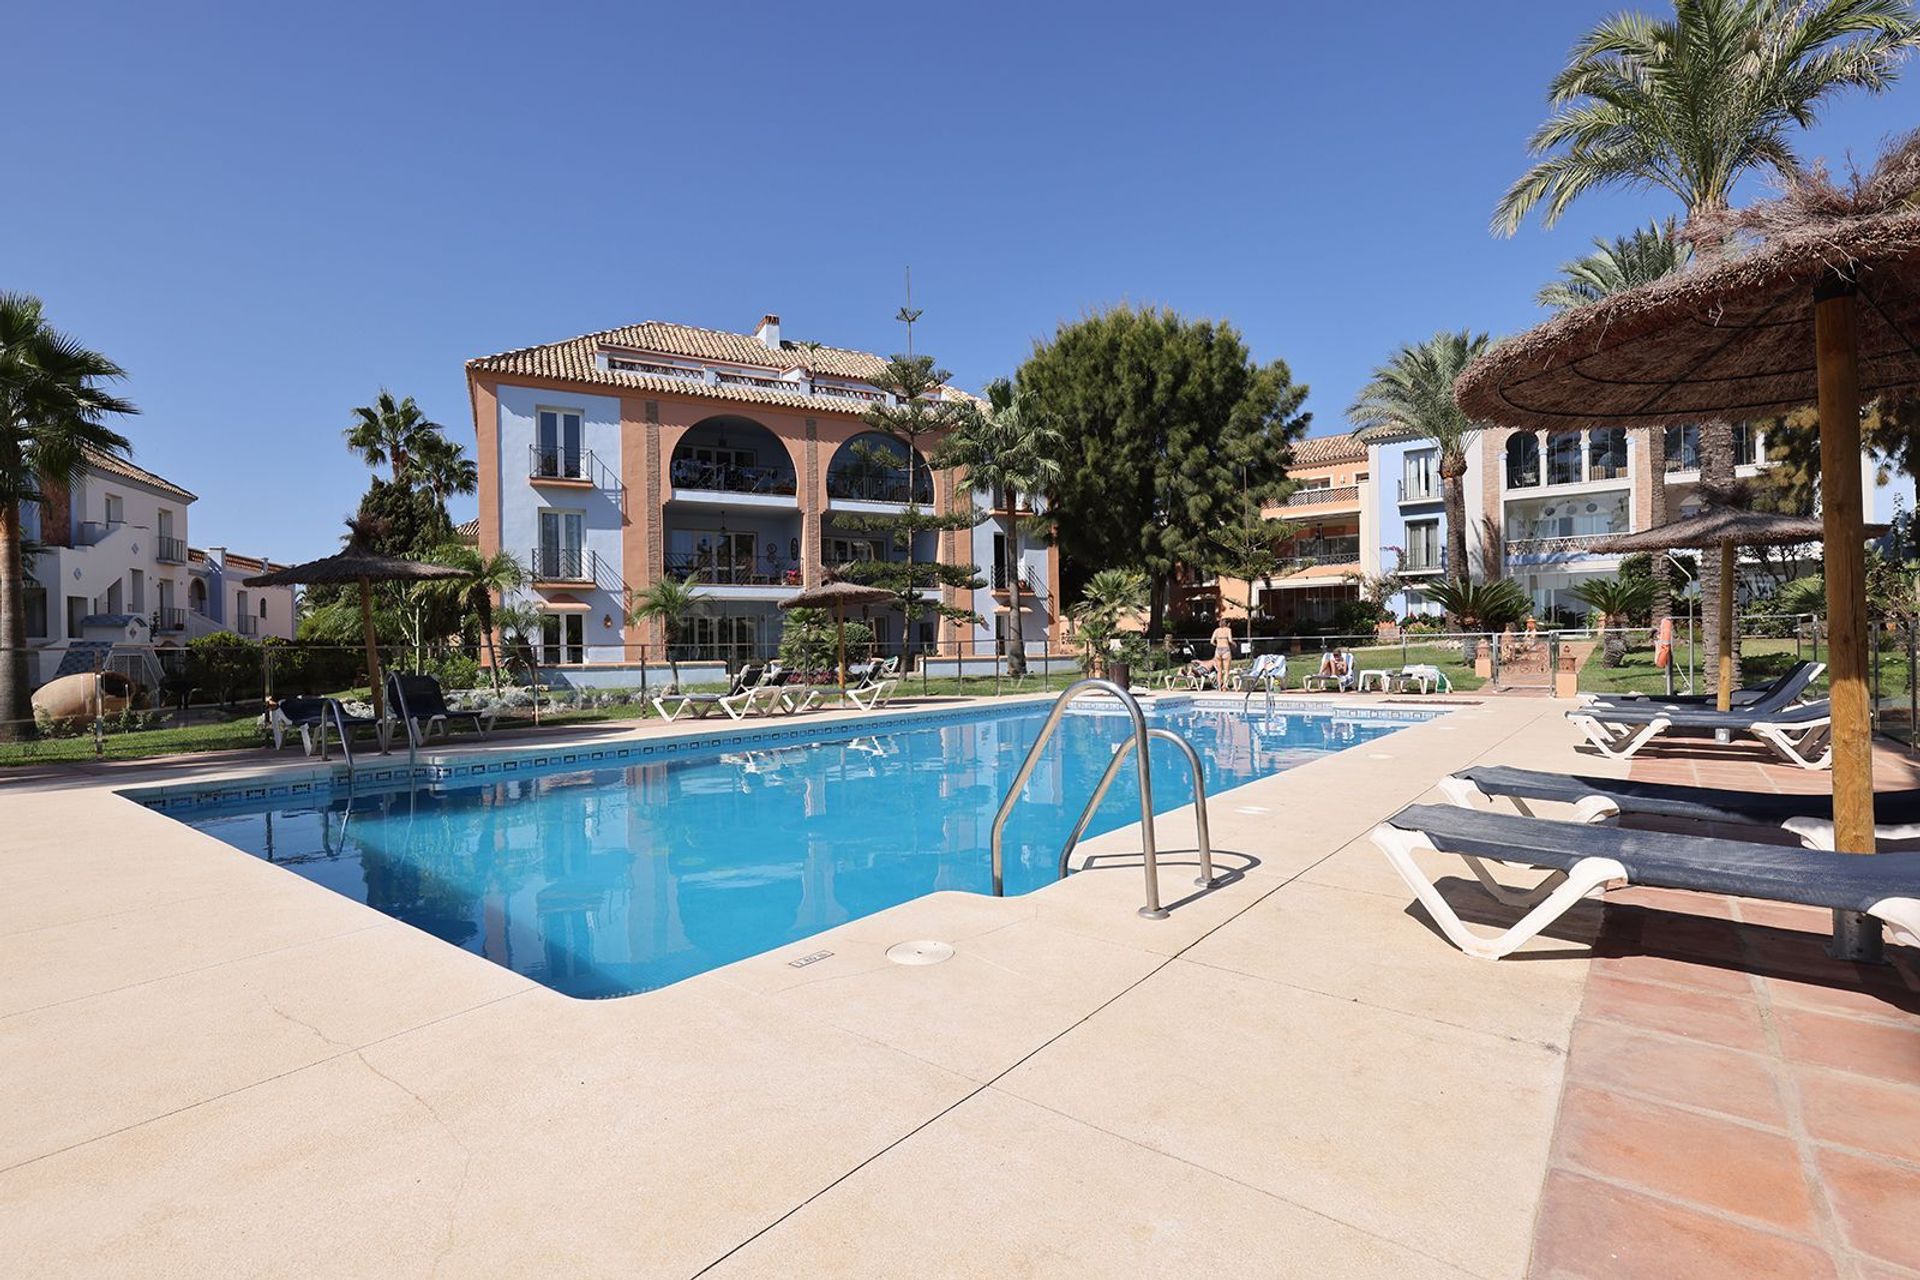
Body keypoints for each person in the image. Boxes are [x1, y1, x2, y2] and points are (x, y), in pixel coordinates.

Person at [1209, 621, 1235, 689]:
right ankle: (1224, 686)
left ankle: (1219, 686)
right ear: (1227, 624)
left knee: (1219, 670)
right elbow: (1230, 640)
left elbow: (1211, 641)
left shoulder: (1216, 630)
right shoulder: (1228, 630)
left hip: (1218, 650)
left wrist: (1216, 645)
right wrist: (1234, 644)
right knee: (1226, 670)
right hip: (1226, 649)